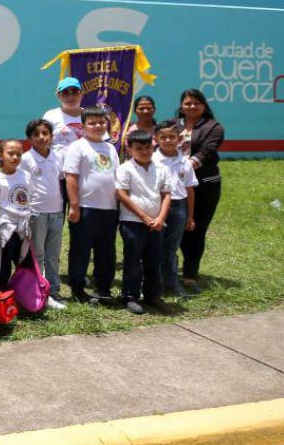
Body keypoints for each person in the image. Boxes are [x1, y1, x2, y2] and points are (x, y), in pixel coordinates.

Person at [115, 131, 176, 315]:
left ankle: (152, 295)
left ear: (153, 146)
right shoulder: (125, 169)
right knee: (133, 260)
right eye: (139, 148)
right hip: (133, 222)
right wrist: (144, 217)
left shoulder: (162, 168)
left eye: (147, 147)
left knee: (155, 259)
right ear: (129, 149)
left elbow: (166, 195)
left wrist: (160, 219)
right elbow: (122, 194)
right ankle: (130, 296)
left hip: (156, 224)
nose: (144, 151)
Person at [64, 107, 120, 304]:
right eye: (92, 123)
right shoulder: (77, 147)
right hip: (85, 208)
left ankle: (103, 288)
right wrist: (74, 205)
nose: (97, 126)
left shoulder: (111, 148)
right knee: (81, 250)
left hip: (109, 209)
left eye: (101, 122)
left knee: (106, 251)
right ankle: (78, 289)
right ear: (83, 126)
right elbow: (71, 177)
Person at [175, 89, 225, 294]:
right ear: (181, 106)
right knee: (174, 228)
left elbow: (207, 151)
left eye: (196, 103)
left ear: (204, 105)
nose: (192, 107)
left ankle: (189, 275)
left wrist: (185, 167)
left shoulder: (214, 127)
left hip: (204, 184)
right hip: (174, 186)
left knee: (196, 228)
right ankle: (168, 271)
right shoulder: (173, 124)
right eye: (187, 103)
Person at [20, 119, 66, 308]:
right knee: (37, 254)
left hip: (56, 212)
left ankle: (54, 289)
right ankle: (39, 290)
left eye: (45, 133)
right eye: (36, 134)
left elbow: (61, 181)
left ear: (51, 136)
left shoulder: (57, 156)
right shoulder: (26, 159)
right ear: (30, 138)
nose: (41, 137)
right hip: (37, 214)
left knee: (53, 254)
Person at [153, 119, 198, 299]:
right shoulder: (152, 160)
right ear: (155, 139)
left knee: (171, 247)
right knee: (154, 245)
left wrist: (190, 216)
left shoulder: (185, 162)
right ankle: (153, 281)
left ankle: (171, 281)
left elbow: (190, 190)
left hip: (179, 208)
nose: (168, 140)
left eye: (172, 136)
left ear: (179, 139)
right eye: (163, 137)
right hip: (157, 207)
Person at [0, 140, 31, 288]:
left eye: (18, 154)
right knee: (3, 265)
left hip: (23, 227)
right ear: (0, 156)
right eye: (10, 153)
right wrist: (4, 218)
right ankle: (1, 296)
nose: (15, 157)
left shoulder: (25, 175)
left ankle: (23, 295)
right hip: (6, 229)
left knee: (24, 262)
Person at [42, 78, 85, 190]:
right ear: (58, 95)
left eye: (74, 92)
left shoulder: (90, 115)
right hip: (57, 173)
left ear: (81, 94)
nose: (70, 97)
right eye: (65, 93)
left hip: (84, 173)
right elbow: (42, 144)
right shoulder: (50, 116)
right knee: (57, 207)